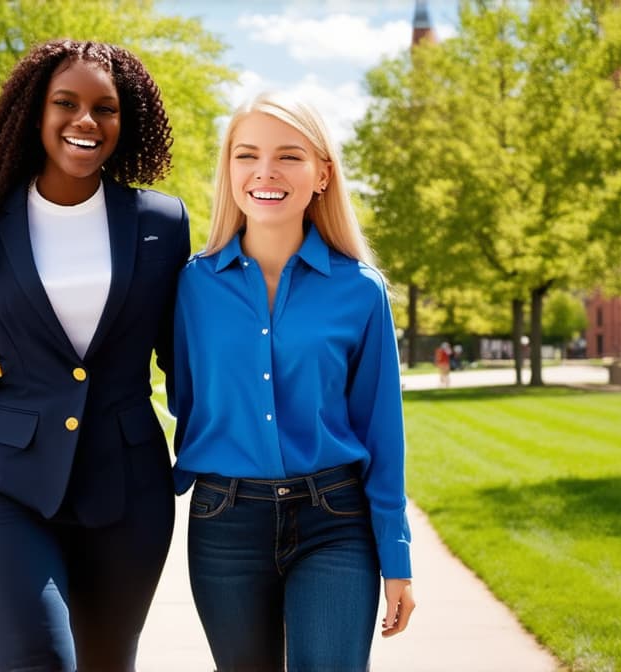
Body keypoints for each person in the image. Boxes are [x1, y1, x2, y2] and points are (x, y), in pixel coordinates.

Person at [0, 39, 190, 672]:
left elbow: (183, 367)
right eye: (67, 103)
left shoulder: (162, 223)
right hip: (6, 492)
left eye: (105, 108)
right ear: (36, 113)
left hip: (129, 495)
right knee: (38, 661)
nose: (85, 121)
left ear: (127, 121)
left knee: (107, 663)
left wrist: (214, 461)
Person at [169, 92, 414, 672]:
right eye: (247, 155)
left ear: (323, 174)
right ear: (229, 171)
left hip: (335, 520)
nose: (265, 172)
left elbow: (383, 434)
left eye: (289, 156)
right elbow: (184, 395)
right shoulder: (192, 287)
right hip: (224, 522)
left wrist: (396, 556)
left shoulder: (361, 290)